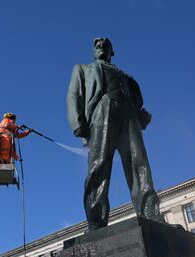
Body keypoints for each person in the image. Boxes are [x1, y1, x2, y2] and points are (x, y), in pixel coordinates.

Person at [67, 38, 164, 231]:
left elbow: (137, 101)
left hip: (128, 116)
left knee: (139, 163)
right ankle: (96, 222)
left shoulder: (126, 77)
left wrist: (141, 115)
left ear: (113, 51)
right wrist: (77, 123)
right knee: (99, 164)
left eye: (105, 45)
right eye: (97, 46)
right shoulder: (83, 69)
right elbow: (74, 94)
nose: (101, 47)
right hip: (103, 110)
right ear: (93, 52)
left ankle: (150, 214)